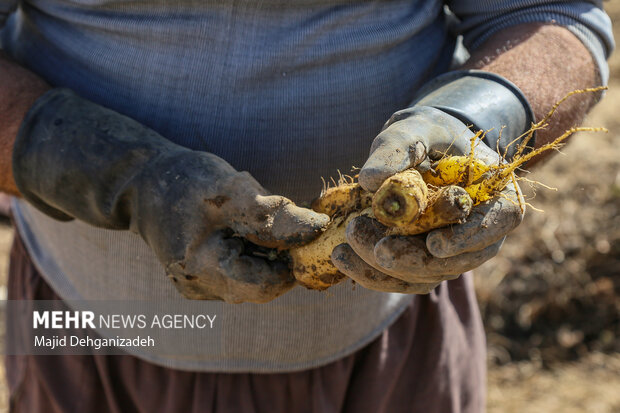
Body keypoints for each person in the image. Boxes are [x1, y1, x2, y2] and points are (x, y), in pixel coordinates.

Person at [0, 0, 613, 411]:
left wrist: (478, 124)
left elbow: (549, 17)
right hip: (88, 329)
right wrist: (124, 176)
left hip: (384, 337)